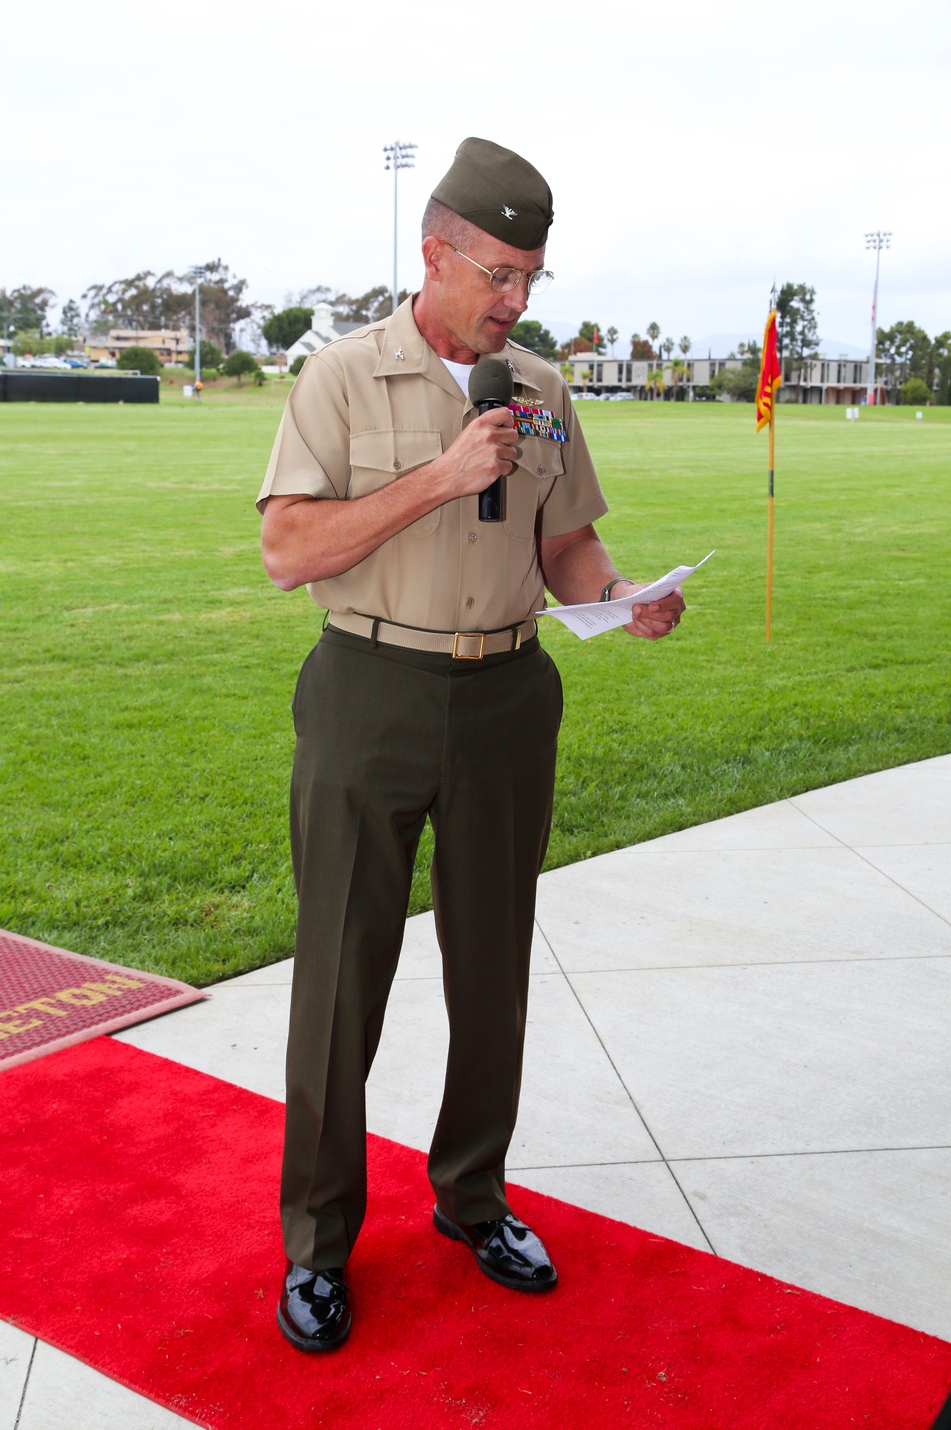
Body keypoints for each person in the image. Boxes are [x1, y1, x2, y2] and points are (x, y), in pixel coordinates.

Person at [257, 137, 685, 1353]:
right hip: (368, 688)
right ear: (433, 251)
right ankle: (318, 1241)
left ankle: (472, 1196)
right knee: (342, 974)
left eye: (531, 276)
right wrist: (441, 476)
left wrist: (624, 591)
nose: (516, 299)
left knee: (490, 967)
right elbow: (290, 550)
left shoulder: (540, 389)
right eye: (497, 271)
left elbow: (568, 550)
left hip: (507, 697)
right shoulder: (343, 376)